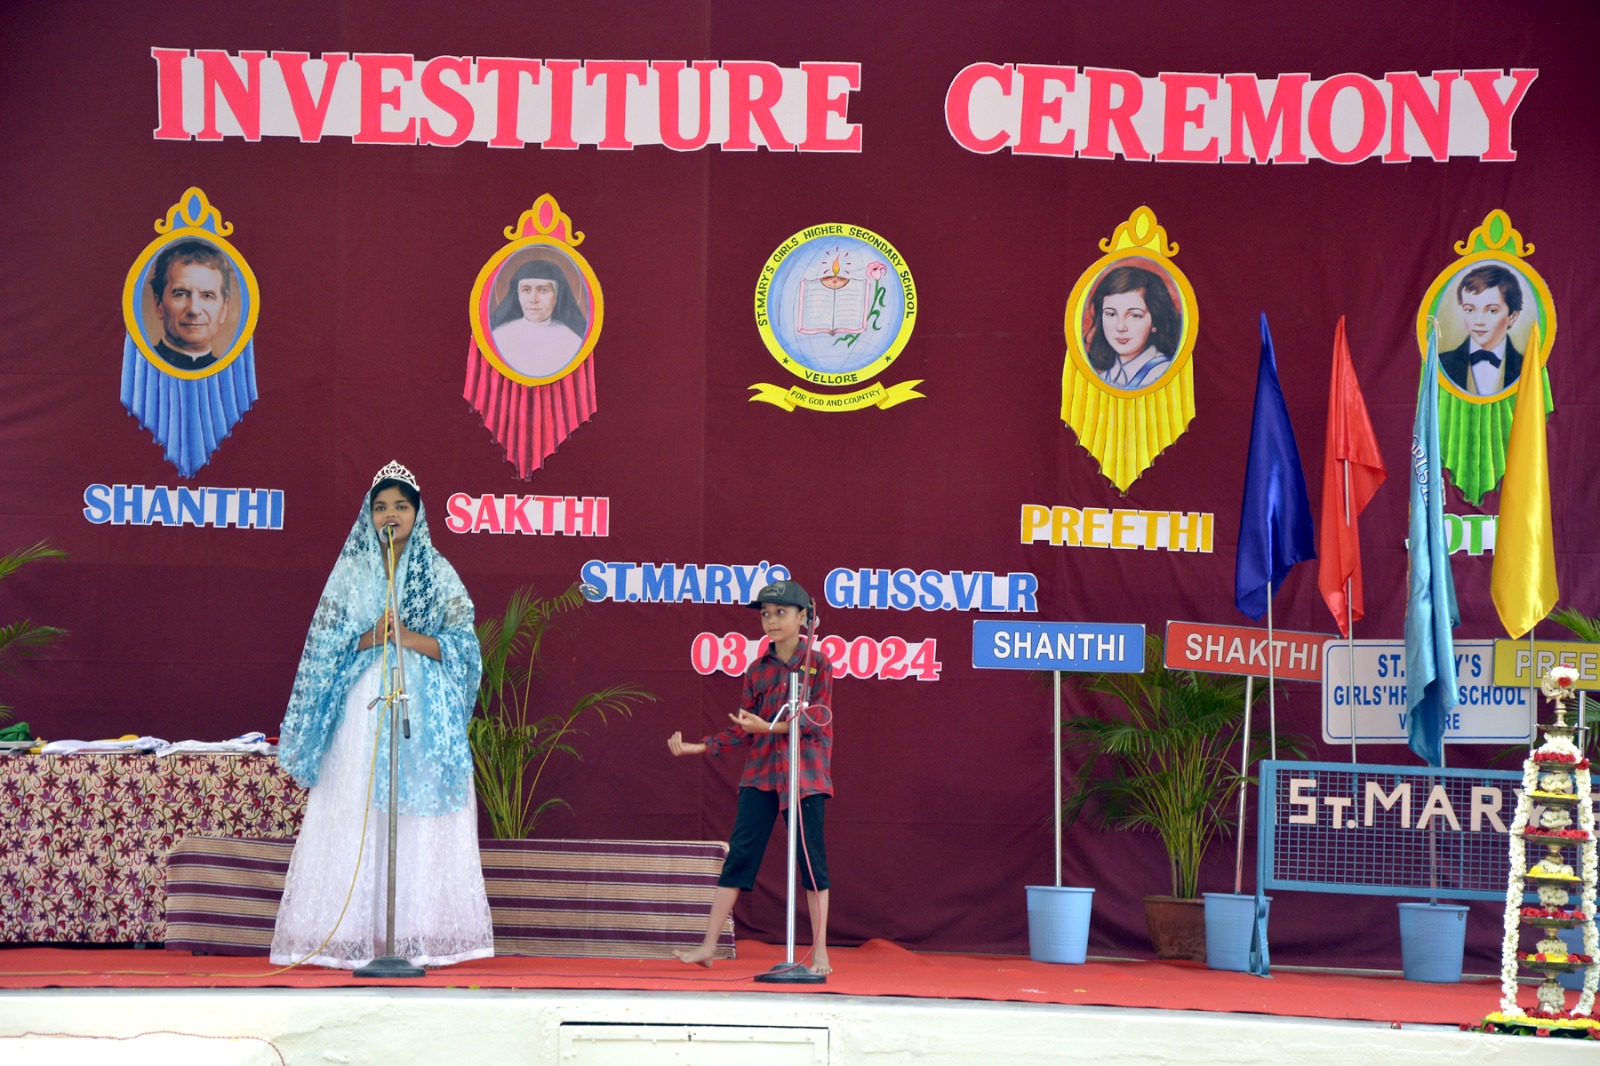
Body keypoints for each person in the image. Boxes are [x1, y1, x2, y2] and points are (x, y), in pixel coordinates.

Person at [271, 461, 493, 970]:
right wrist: (372, 635)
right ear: (368, 516)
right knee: (358, 803)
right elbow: (327, 645)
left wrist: (408, 638)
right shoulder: (352, 573)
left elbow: (464, 646)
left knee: (413, 819)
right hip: (364, 706)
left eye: (400, 506)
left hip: (422, 711)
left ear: (418, 513)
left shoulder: (437, 573)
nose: (390, 515)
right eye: (380, 507)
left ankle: (414, 932)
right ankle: (353, 933)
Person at [667, 580, 836, 974]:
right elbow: (745, 728)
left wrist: (770, 727)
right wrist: (699, 747)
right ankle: (708, 945)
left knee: (812, 864)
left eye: (780, 612)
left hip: (804, 776)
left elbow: (816, 720)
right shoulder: (757, 670)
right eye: (765, 614)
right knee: (739, 857)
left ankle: (821, 952)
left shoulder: (818, 664)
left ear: (803, 617)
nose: (771, 621)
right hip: (761, 775)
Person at [1084, 264, 1181, 390]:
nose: (1120, 327)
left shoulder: (1167, 376)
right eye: (1111, 314)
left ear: (1155, 320)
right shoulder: (1101, 379)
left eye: (1134, 315)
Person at [488, 260, 589, 378]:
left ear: (557, 295)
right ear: (517, 295)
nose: (533, 299)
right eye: (526, 290)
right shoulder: (498, 336)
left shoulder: (574, 339)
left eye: (543, 290)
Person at [147, 239, 235, 372]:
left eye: (207, 296)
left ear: (223, 310)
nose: (194, 309)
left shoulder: (230, 372)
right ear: (158, 304)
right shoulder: (142, 366)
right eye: (181, 294)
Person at [1440, 263, 1524, 396]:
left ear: (1512, 316)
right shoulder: (1442, 363)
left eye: (1492, 311)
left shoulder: (1526, 366)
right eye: (1469, 310)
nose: (1478, 321)